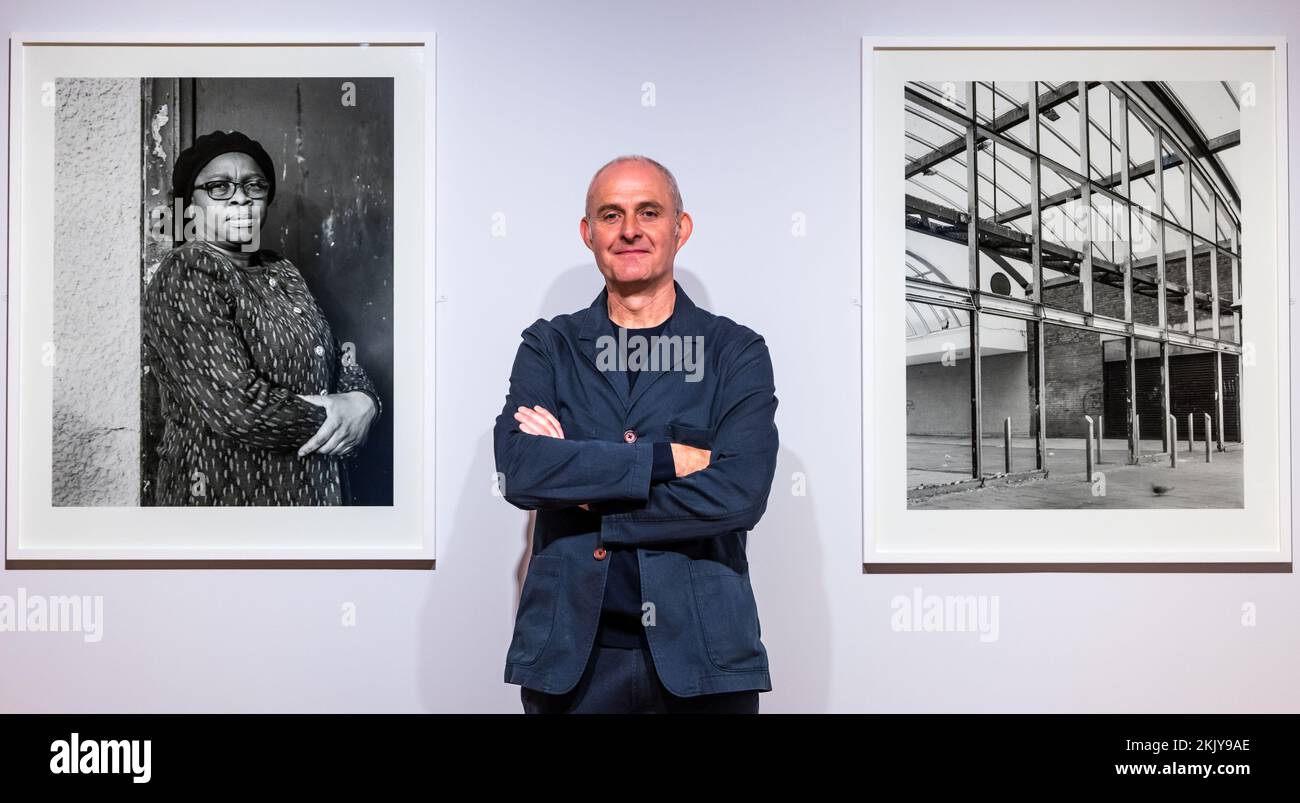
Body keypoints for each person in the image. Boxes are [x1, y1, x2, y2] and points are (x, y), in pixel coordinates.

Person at [494, 155, 780, 713]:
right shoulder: (548, 347)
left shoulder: (734, 352)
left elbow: (740, 493)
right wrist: (666, 460)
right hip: (570, 663)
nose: (629, 229)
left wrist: (581, 483)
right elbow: (520, 470)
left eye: (649, 212)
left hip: (704, 662)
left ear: (681, 228)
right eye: (610, 215)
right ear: (587, 233)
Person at [142, 130, 381, 506]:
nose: (240, 196)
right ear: (189, 206)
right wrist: (344, 419)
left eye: (253, 185)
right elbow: (236, 406)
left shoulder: (280, 270)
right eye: (219, 187)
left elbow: (334, 357)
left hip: (315, 496)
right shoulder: (188, 270)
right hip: (231, 501)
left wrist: (364, 399)